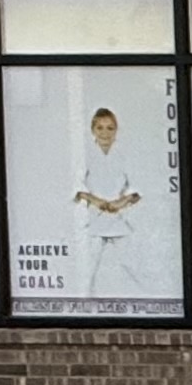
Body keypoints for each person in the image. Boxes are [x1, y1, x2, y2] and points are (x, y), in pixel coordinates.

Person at [69, 106, 143, 300]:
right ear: (93, 130)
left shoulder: (124, 154)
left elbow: (137, 186)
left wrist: (122, 201)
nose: (105, 133)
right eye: (100, 128)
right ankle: (85, 304)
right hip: (94, 216)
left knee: (132, 266)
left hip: (119, 215)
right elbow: (76, 185)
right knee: (88, 269)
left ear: (116, 130)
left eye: (110, 128)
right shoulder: (85, 154)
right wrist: (95, 200)